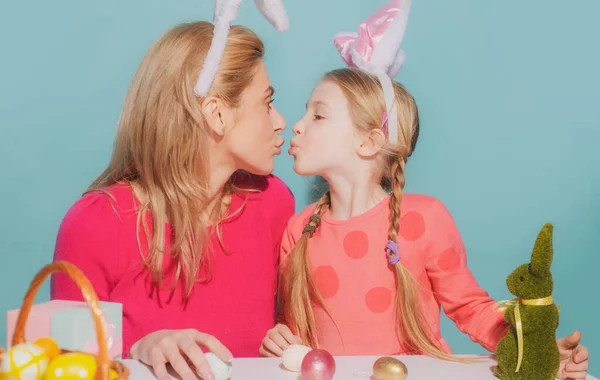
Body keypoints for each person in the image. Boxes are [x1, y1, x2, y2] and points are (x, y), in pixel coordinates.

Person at [260, 1, 590, 378]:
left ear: (368, 143)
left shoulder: (423, 219)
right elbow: (292, 324)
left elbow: (471, 308)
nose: (296, 125)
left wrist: (536, 351)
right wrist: (280, 337)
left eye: (317, 115)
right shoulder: (299, 230)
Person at [51, 17, 294, 380]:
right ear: (217, 114)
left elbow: (284, 322)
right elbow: (63, 363)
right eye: (267, 103)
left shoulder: (273, 202)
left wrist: (285, 333)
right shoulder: (95, 223)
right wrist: (137, 349)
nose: (281, 121)